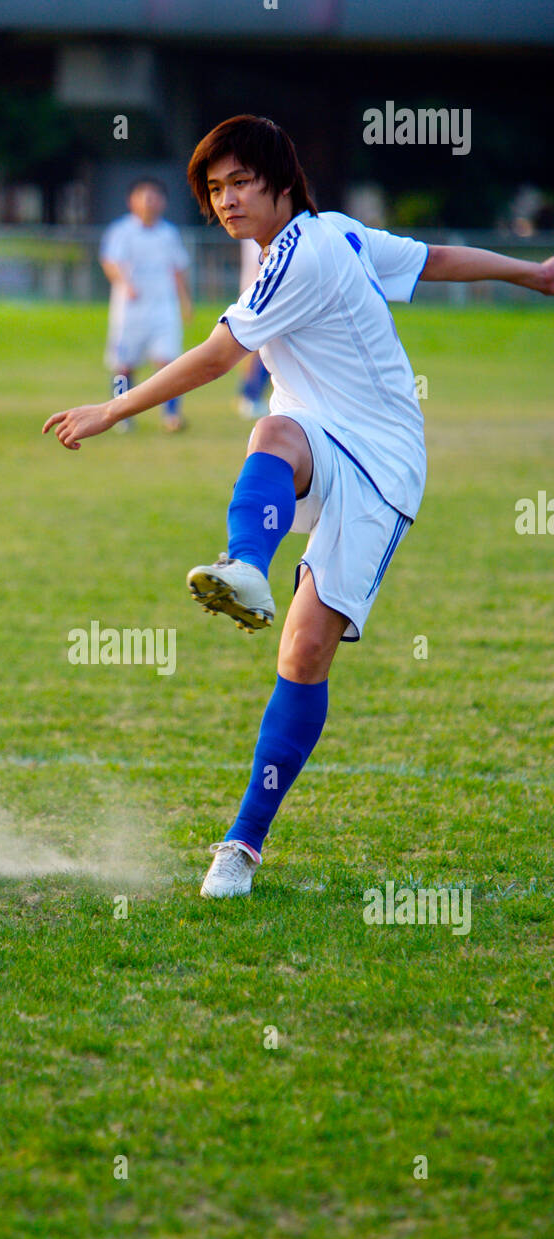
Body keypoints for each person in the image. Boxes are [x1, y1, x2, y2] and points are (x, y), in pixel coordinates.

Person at [43, 115, 554, 898]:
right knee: (274, 427)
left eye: (241, 182)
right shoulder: (334, 237)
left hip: (382, 462)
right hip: (316, 439)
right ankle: (246, 566)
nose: (226, 200)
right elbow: (436, 257)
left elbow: (219, 356)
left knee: (304, 653)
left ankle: (244, 843)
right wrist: (533, 273)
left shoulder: (309, 249)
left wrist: (110, 411)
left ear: (284, 183)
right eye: (215, 189)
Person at [100, 177, 192, 433]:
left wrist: (185, 302)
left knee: (169, 363)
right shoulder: (122, 231)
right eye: (144, 196)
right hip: (130, 312)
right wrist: (125, 284)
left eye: (155, 197)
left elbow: (178, 269)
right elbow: (110, 262)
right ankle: (120, 414)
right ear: (132, 201)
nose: (150, 202)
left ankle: (171, 415)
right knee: (124, 365)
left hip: (163, 309)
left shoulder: (169, 233)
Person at [236, 238, 271, 418]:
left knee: (254, 351)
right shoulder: (263, 234)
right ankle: (251, 396)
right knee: (266, 350)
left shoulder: (252, 234)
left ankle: (247, 395)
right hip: (260, 296)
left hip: (251, 293)